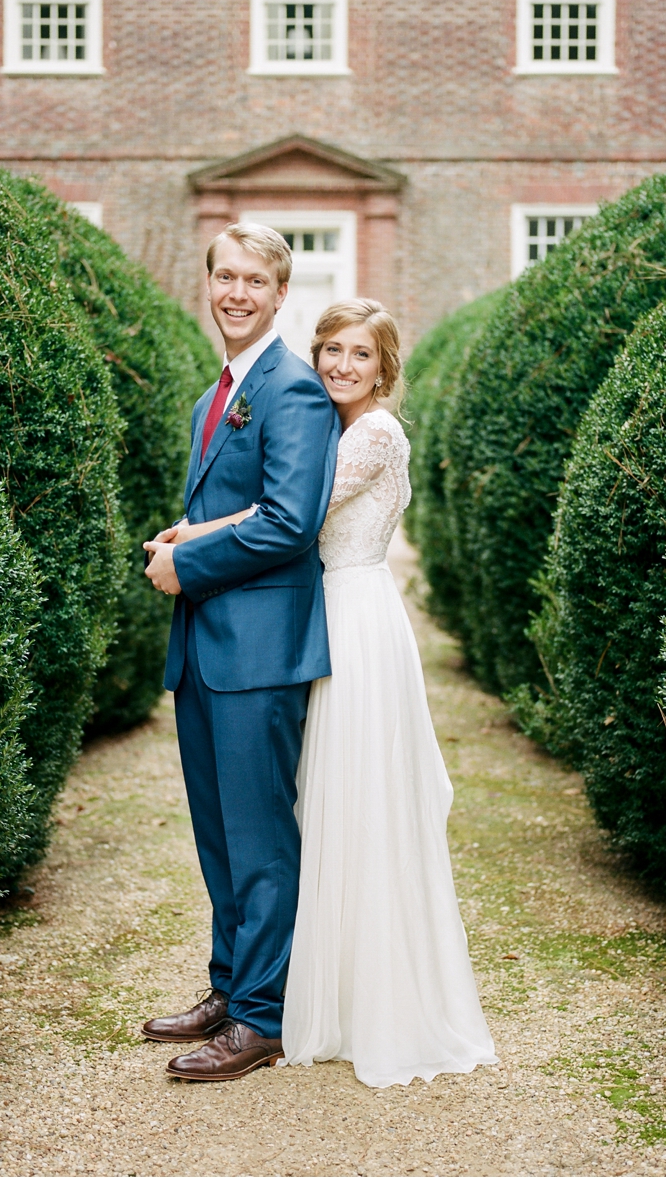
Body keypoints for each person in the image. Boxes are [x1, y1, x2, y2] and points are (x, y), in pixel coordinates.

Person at [159, 297, 499, 1089]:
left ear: (385, 368)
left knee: (346, 802)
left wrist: (194, 535)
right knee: (309, 803)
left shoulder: (375, 433)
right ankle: (277, 982)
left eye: (361, 355)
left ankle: (327, 999)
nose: (344, 366)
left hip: (351, 619)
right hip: (321, 611)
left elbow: (294, 512)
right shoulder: (335, 426)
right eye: (332, 351)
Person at [139, 223, 340, 1082]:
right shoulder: (212, 396)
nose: (236, 292)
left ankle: (264, 1016)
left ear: (280, 294)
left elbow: (291, 523)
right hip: (206, 651)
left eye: (255, 280)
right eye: (224, 275)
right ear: (209, 282)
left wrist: (187, 564)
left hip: (260, 653)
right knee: (219, 836)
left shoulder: (292, 390)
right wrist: (187, 534)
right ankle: (231, 985)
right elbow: (242, 503)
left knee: (260, 840)